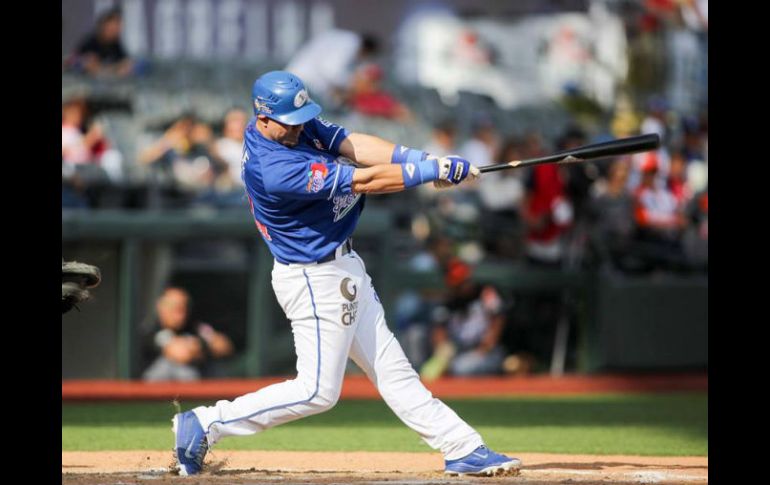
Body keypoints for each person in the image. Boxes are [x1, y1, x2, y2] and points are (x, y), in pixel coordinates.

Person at [172, 71, 521, 477]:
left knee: (392, 370)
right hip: (313, 277)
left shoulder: (292, 127)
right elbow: (365, 178)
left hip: (342, 266)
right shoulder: (274, 167)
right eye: (289, 121)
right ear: (262, 118)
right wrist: (430, 172)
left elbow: (354, 145)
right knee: (317, 391)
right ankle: (206, 423)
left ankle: (462, 447)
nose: (299, 127)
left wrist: (423, 160)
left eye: (300, 118)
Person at [142, 288, 234, 381]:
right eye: (176, 308)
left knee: (215, 367)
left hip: (198, 385)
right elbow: (181, 354)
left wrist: (198, 346)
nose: (181, 314)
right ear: (161, 307)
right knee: (179, 367)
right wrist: (202, 347)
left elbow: (223, 346)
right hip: (157, 388)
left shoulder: (194, 327)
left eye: (184, 307)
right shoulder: (154, 332)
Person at [67, 7, 134, 78]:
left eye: (118, 26)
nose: (117, 29)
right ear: (104, 26)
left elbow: (125, 62)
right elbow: (72, 60)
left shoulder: (116, 44)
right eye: (113, 26)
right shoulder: (91, 42)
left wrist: (120, 67)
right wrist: (83, 63)